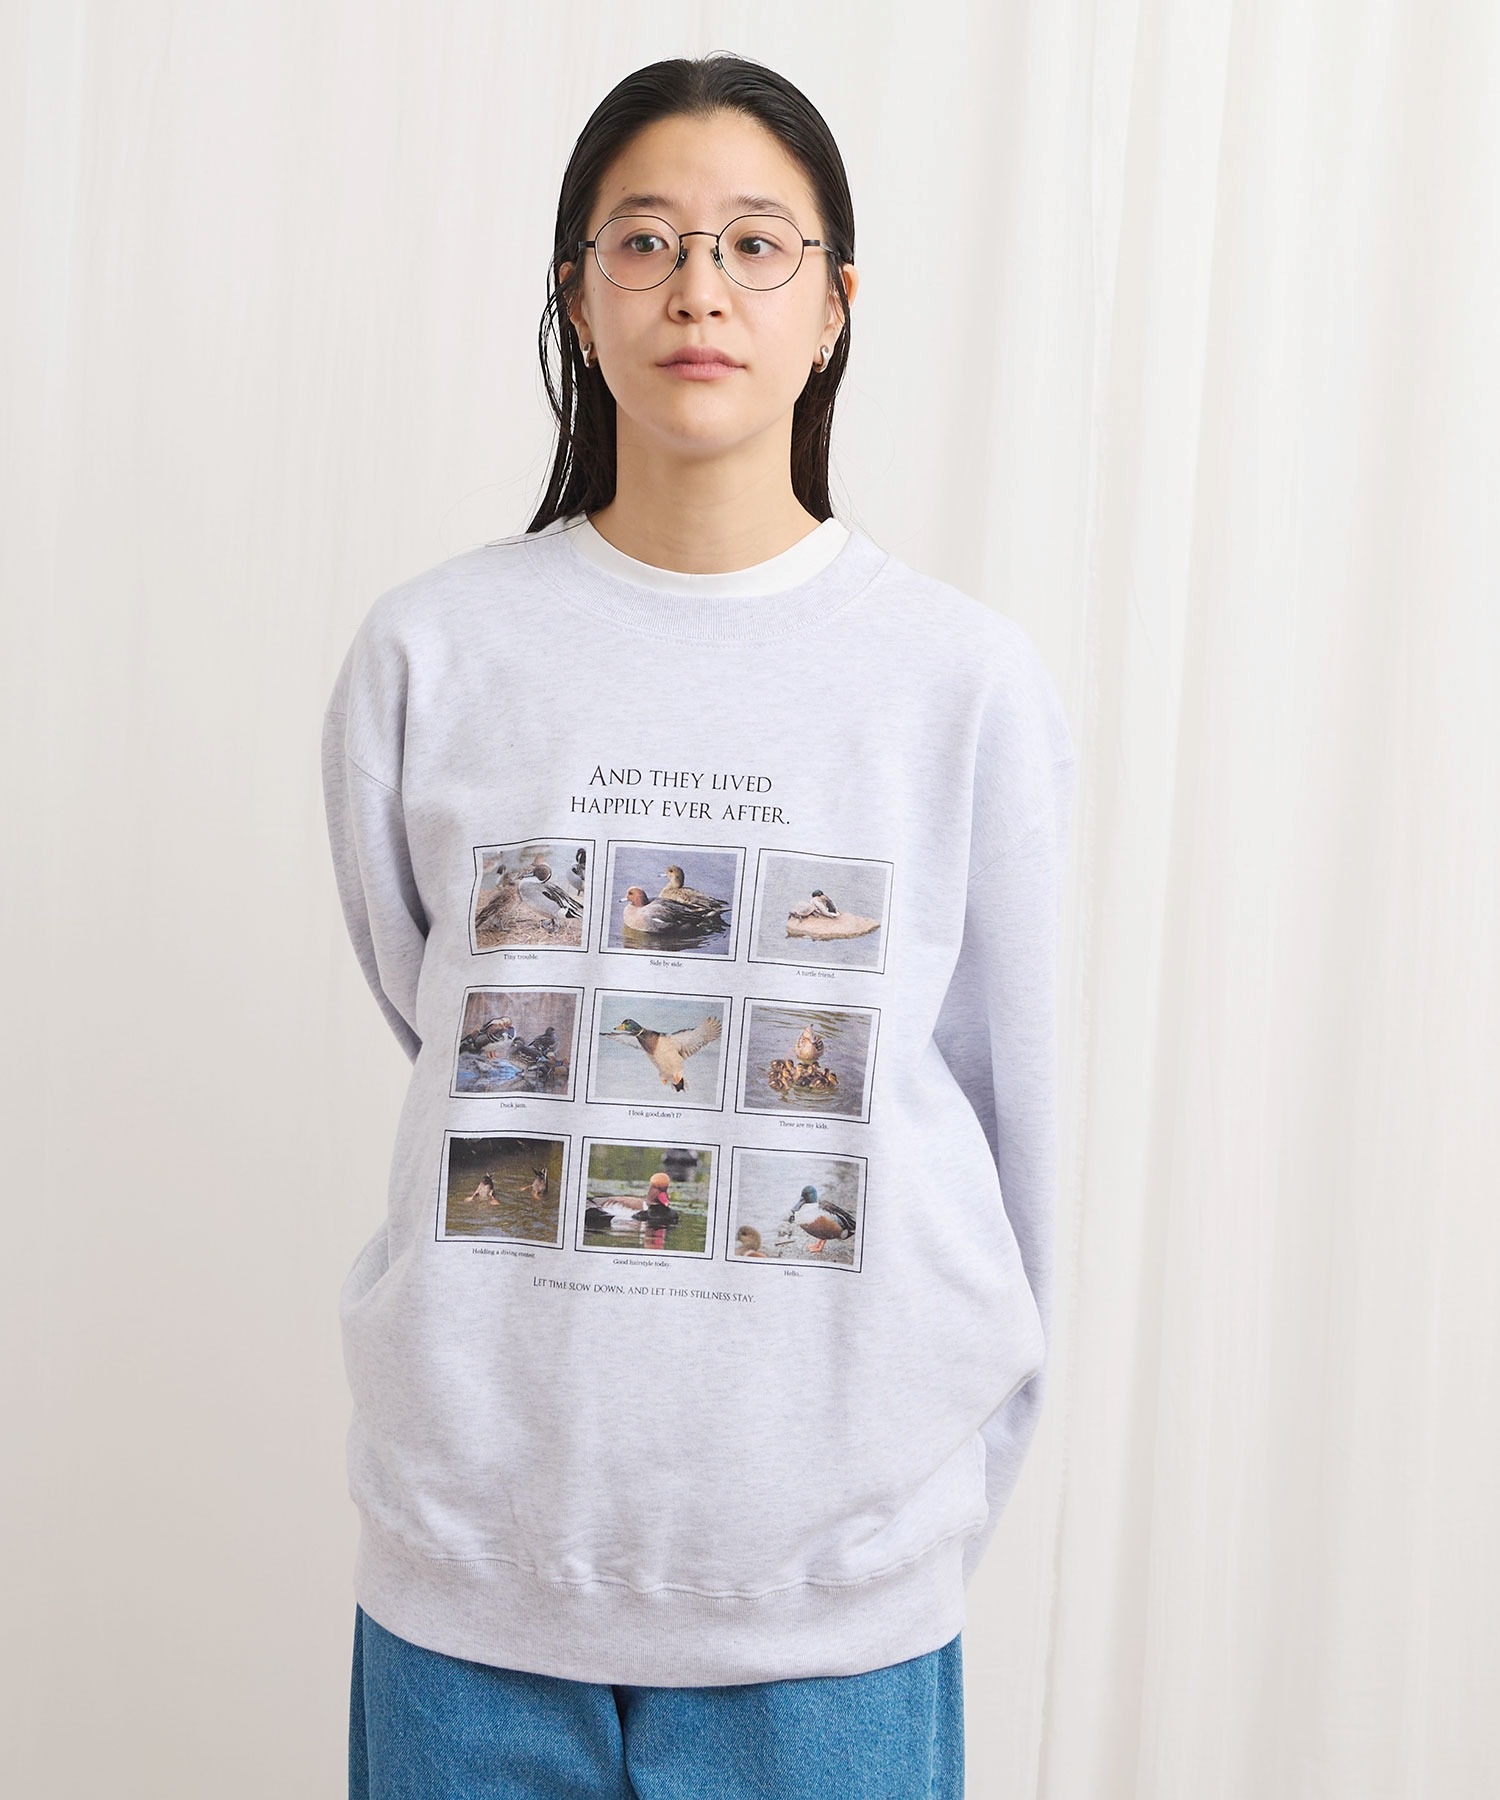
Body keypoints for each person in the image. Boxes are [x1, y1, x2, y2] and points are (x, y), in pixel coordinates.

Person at [323, 50, 1076, 1800]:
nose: (700, 290)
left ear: (836, 305)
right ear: (578, 296)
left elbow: (1009, 1106)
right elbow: (438, 1007)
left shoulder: (958, 679)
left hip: (828, 1604)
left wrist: (929, 1485)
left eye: (755, 244)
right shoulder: (435, 652)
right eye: (646, 241)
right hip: (471, 1573)